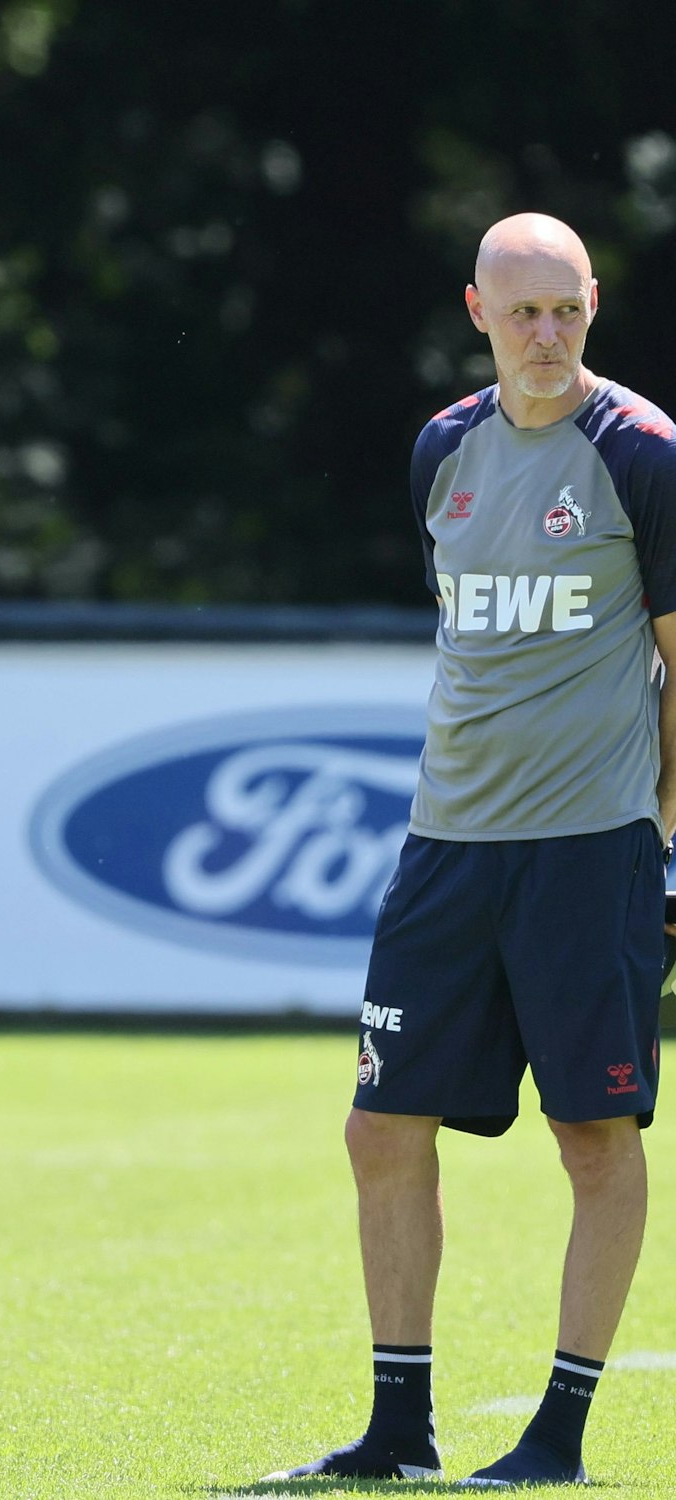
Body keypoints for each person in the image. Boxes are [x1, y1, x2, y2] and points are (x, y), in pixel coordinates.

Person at [271, 213, 668, 1488]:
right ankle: (397, 1430)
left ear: (592, 306)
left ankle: (555, 1434)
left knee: (592, 1137)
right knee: (380, 1129)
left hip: (585, 849)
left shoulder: (642, 453)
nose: (544, 336)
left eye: (564, 310)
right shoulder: (440, 447)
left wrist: (663, 836)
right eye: (520, 312)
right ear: (475, 309)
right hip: (443, 847)